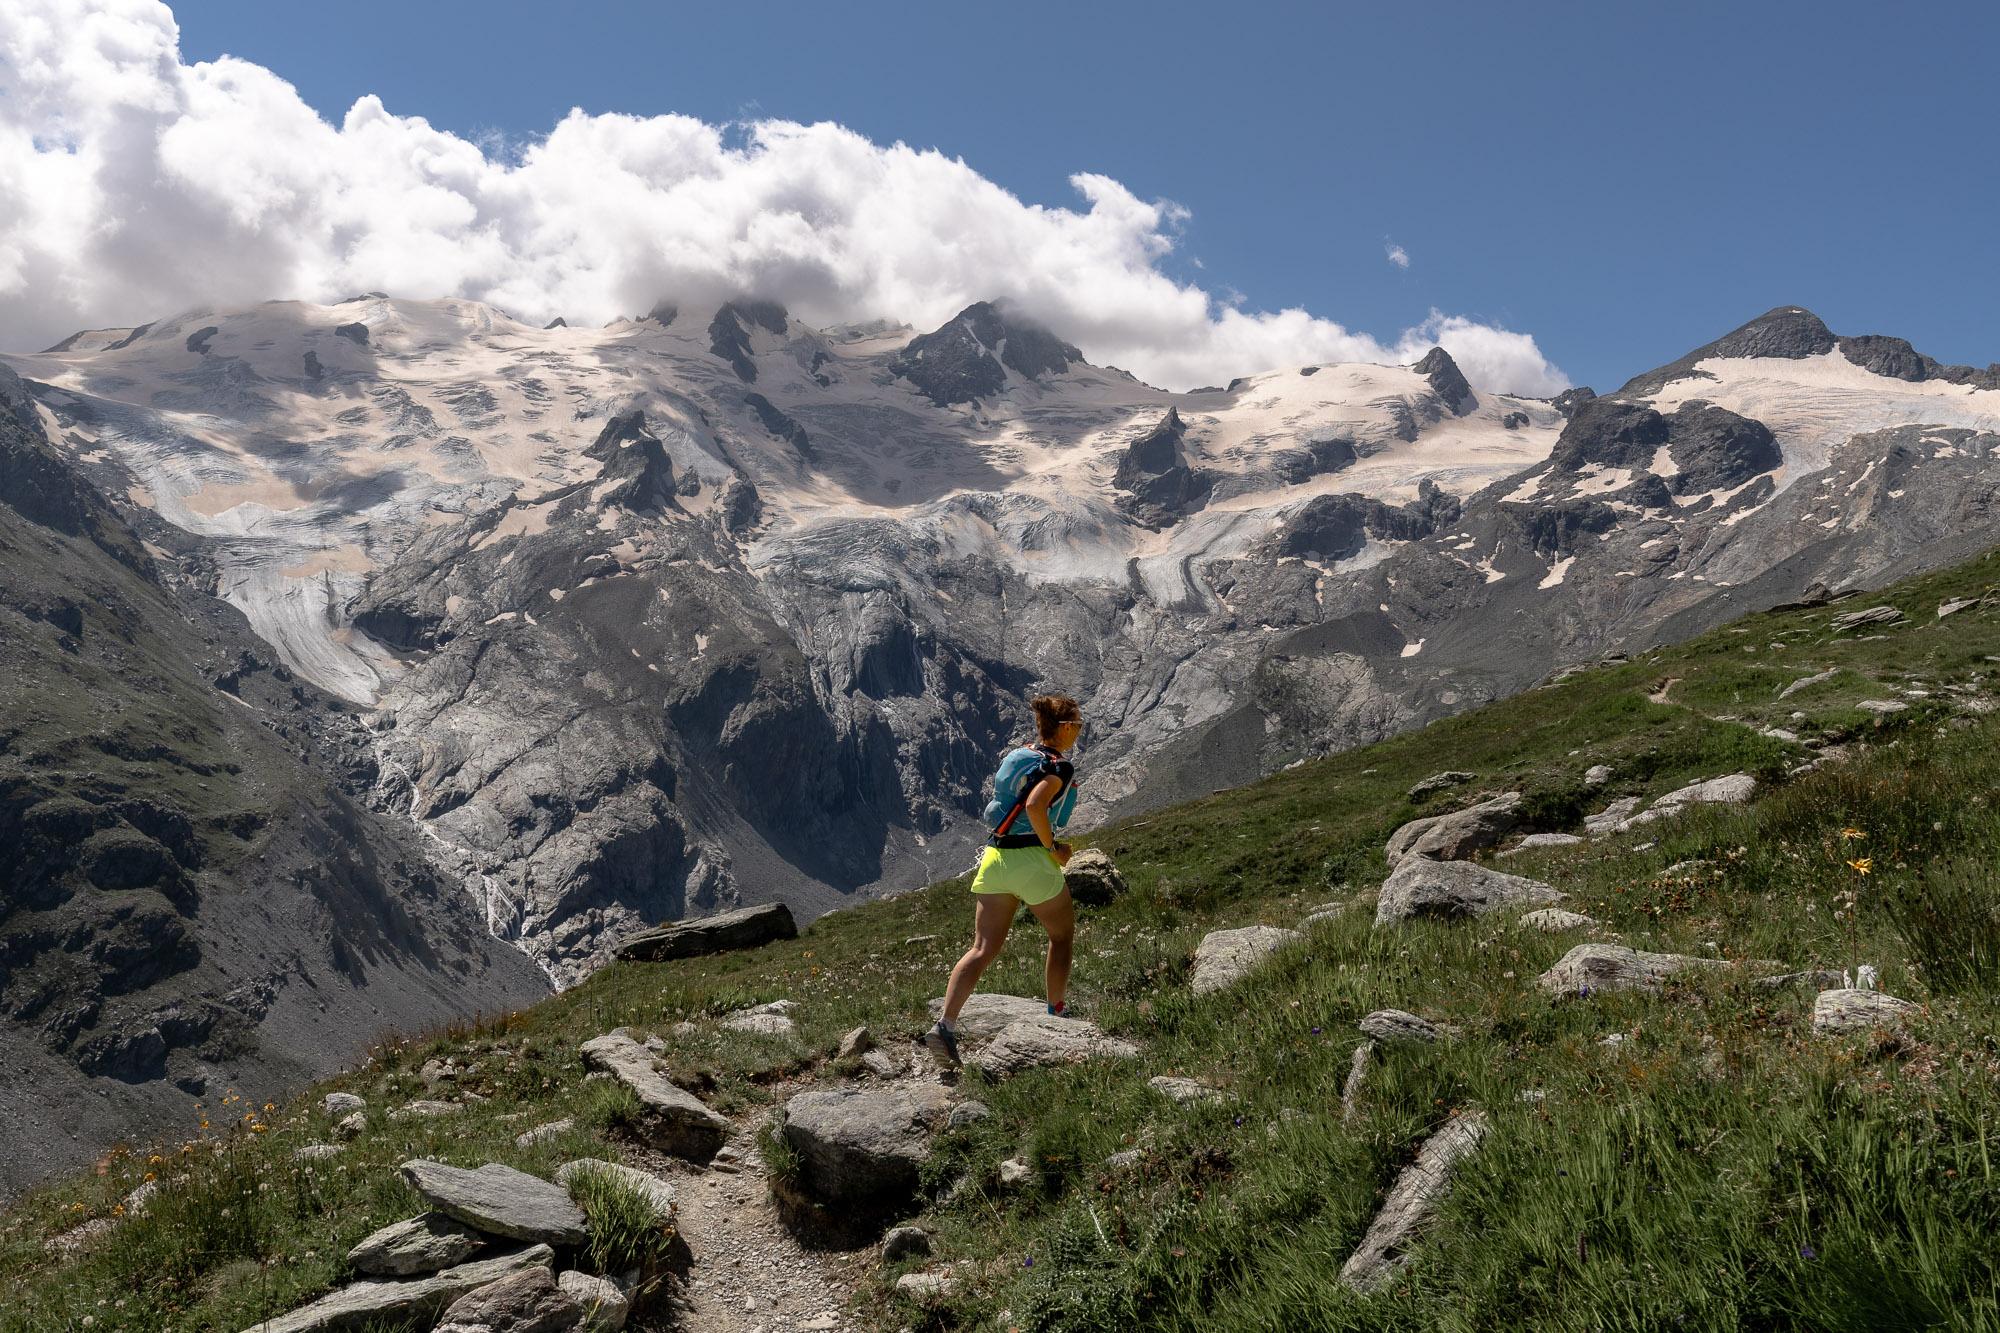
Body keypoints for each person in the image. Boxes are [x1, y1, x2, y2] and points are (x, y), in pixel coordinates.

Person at [923, 694, 1084, 1066]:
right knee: (1061, 936)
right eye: (1076, 725)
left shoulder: (1020, 755)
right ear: (1062, 729)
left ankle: (945, 1026)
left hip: (995, 859)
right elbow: (1034, 806)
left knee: (981, 948)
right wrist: (1054, 847)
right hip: (1032, 859)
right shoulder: (1058, 767)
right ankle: (1056, 1013)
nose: (1078, 731)